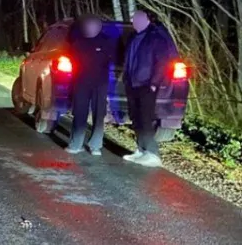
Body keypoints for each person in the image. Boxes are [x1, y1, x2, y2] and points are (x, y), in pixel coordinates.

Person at [123, 9, 178, 167]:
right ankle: (141, 150)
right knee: (136, 117)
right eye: (134, 18)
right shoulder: (134, 37)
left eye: (139, 18)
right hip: (132, 83)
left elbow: (162, 62)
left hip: (147, 84)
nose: (135, 21)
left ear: (148, 20)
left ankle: (153, 153)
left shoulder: (155, 37)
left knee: (146, 119)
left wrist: (154, 83)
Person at [65, 15, 114, 155]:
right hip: (81, 83)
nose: (90, 28)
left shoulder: (106, 43)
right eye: (88, 26)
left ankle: (95, 146)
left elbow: (111, 61)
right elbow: (71, 62)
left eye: (93, 26)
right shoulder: (77, 43)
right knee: (80, 113)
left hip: (100, 84)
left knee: (99, 115)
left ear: (98, 28)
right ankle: (75, 144)